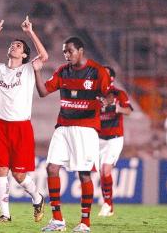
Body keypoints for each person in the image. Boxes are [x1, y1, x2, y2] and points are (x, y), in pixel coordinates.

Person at [0, 16, 48, 223]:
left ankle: (38, 198)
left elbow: (44, 56)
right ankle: (5, 215)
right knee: (1, 171)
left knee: (19, 176)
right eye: (13, 44)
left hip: (22, 128)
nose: (14, 46)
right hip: (1, 127)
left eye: (19, 45)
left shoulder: (29, 69)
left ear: (24, 54)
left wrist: (30, 32)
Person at [33, 37, 110, 232]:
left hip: (86, 128)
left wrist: (105, 101)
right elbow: (43, 92)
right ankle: (57, 220)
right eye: (64, 52)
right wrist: (37, 71)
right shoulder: (62, 71)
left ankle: (85, 223)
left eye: (70, 51)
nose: (67, 55)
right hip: (63, 126)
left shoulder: (97, 71)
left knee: (84, 174)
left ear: (81, 51)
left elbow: (108, 94)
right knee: (51, 168)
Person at [97, 66, 132, 217]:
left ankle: (108, 204)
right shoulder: (94, 94)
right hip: (98, 138)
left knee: (106, 170)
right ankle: (107, 202)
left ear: (111, 78)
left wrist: (117, 108)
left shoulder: (119, 93)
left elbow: (129, 111)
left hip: (115, 137)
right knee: (101, 173)